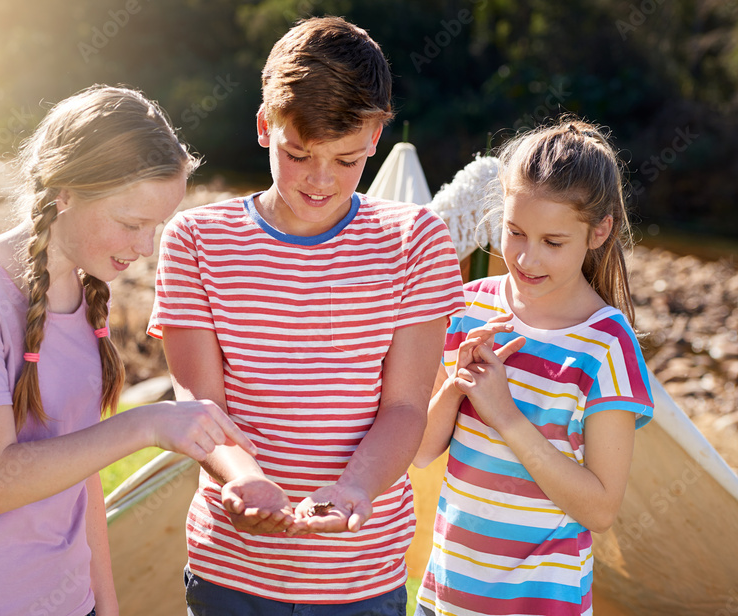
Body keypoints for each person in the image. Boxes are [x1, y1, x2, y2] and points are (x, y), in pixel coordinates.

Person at [147, 17, 466, 614]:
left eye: (346, 160)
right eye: (299, 155)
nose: (321, 182)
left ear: (375, 134)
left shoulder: (416, 240)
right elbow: (200, 401)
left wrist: (355, 488)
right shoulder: (195, 239)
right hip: (229, 572)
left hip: (360, 577)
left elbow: (404, 407)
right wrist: (241, 475)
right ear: (266, 126)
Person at [0, 85, 255, 616]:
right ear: (65, 192)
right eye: (132, 224)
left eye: (155, 227)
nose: (144, 248)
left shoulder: (86, 296)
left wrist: (104, 605)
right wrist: (146, 425)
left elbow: (81, 471)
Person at [412, 118, 655, 616]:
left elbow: (600, 508)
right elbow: (419, 454)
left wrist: (506, 417)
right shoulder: (466, 309)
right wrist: (455, 388)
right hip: (449, 597)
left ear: (599, 231)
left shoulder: (608, 345)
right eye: (515, 231)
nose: (526, 257)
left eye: (553, 242)